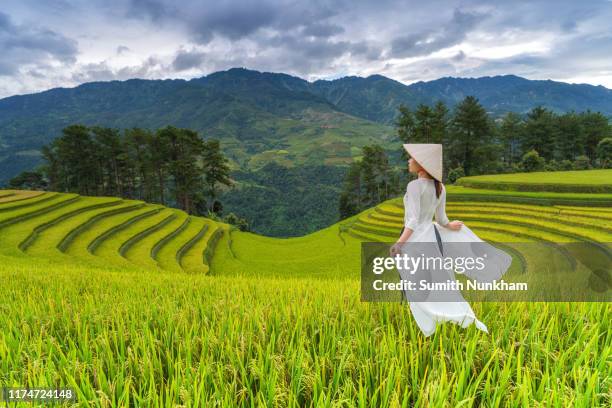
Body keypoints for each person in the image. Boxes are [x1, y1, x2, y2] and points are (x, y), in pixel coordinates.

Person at [389, 143, 512, 337]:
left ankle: (428, 322)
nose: (409, 160)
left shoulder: (414, 186)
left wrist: (399, 243)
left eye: (412, 158)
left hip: (415, 240)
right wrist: (449, 226)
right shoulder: (440, 187)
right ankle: (452, 315)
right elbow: (441, 219)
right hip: (431, 237)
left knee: (416, 282)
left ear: (422, 165)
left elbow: (411, 221)